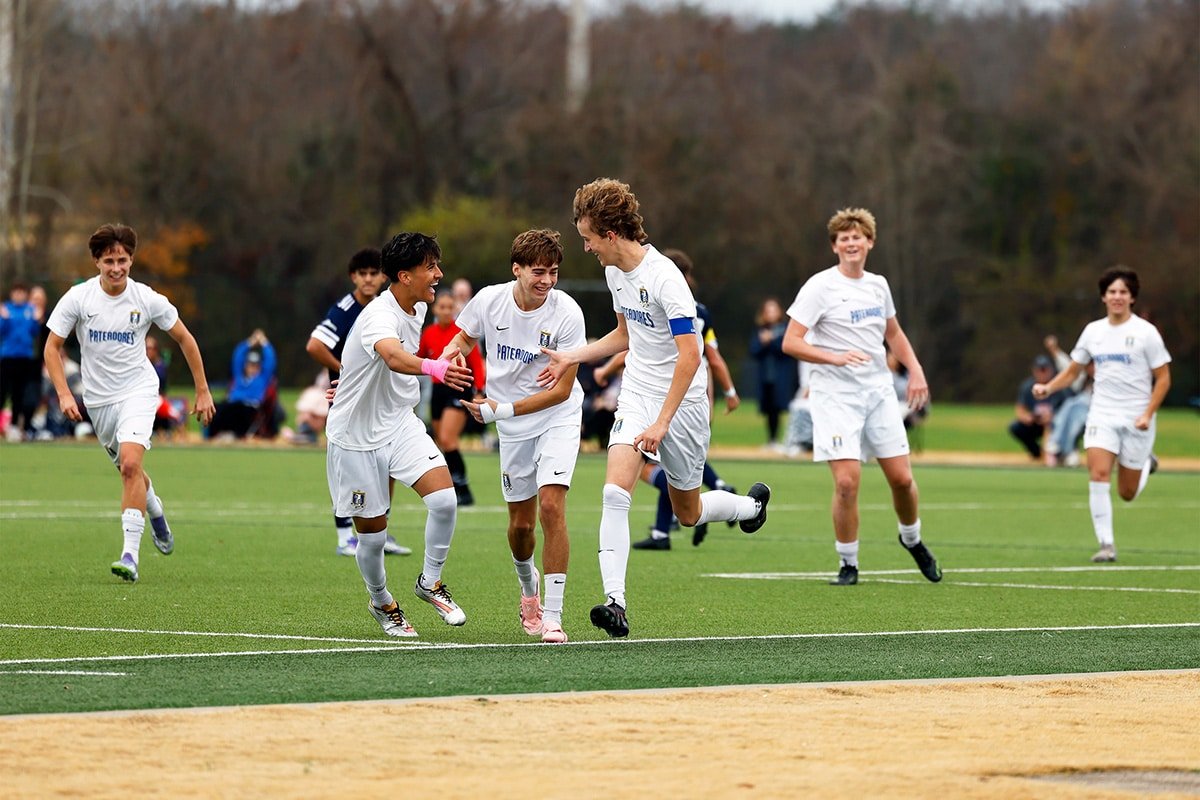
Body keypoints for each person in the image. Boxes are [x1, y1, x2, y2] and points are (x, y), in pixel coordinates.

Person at [538, 178, 771, 638]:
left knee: (687, 511)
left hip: (681, 403)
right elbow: (624, 336)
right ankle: (616, 603)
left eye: (587, 238)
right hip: (639, 389)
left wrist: (663, 423)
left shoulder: (666, 279)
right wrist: (574, 355)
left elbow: (691, 355)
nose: (585, 248)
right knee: (613, 492)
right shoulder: (613, 272)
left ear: (609, 233)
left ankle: (749, 507)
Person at [43, 223, 215, 582]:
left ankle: (130, 556)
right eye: (109, 261)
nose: (116, 268)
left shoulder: (146, 298)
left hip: (138, 390)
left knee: (131, 465)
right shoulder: (79, 298)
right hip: (98, 401)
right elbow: (52, 347)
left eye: (122, 260)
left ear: (132, 260)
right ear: (96, 262)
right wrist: (63, 392)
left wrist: (202, 390)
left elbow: (185, 338)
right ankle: (156, 514)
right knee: (129, 470)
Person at [781, 207, 941, 587]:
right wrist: (833, 357)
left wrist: (916, 371)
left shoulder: (878, 285)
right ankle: (848, 562)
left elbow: (894, 335)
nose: (851, 243)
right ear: (835, 246)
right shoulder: (820, 286)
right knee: (847, 483)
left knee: (902, 479)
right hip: (834, 396)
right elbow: (791, 342)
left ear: (870, 242)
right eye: (844, 238)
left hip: (878, 392)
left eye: (858, 236)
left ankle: (912, 539)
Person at [324, 231, 474, 638]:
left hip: (399, 421)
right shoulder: (379, 315)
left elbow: (375, 364)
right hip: (355, 437)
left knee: (445, 499)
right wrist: (435, 369)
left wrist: (354, 380)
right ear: (405, 276)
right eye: (431, 267)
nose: (439, 274)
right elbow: (390, 355)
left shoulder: (417, 306)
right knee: (372, 538)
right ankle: (382, 601)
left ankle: (430, 583)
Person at [439, 229, 585, 644]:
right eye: (538, 272)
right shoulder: (489, 300)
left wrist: (499, 409)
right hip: (512, 426)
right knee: (521, 526)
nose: (547, 281)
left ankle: (554, 617)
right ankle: (529, 591)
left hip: (557, 414)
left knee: (552, 507)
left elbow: (560, 390)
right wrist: (445, 363)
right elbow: (463, 339)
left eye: (554, 272)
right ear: (516, 269)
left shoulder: (568, 313)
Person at [1032, 266, 1171, 563]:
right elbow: (1073, 371)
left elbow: (1163, 378)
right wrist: (1048, 388)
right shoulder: (1093, 332)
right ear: (1103, 297)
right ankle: (1106, 544)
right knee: (1098, 473)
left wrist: (1148, 413)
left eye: (1123, 292)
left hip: (1137, 417)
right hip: (1102, 413)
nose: (1117, 297)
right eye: (1112, 292)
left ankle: (1146, 463)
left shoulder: (1146, 333)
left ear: (1132, 297)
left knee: (1127, 493)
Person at [304, 247, 409, 557]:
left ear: (382, 276)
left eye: (374, 273)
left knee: (386, 463)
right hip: (348, 400)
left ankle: (382, 530)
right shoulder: (345, 308)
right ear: (353, 277)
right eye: (362, 274)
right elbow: (314, 345)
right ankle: (343, 536)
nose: (368, 279)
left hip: (378, 402)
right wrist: (346, 372)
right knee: (346, 468)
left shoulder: (384, 307)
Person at [419, 291, 485, 506]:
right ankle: (451, 487)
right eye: (442, 307)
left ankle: (462, 488)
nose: (446, 311)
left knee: (448, 439)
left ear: (455, 310)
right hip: (438, 390)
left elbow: (476, 363)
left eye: (450, 307)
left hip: (459, 388)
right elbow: (418, 359)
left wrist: (480, 390)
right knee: (441, 441)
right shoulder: (429, 333)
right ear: (435, 309)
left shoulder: (461, 334)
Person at [206, 330, 278, 439]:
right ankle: (211, 436)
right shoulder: (239, 376)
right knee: (214, 407)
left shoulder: (262, 378)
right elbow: (238, 356)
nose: (253, 368)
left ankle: (235, 434)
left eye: (255, 366)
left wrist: (264, 342)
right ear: (246, 366)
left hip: (249, 407)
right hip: (232, 404)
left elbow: (270, 360)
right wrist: (250, 342)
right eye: (250, 365)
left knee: (238, 410)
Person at [750, 297, 798, 449]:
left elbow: (787, 349)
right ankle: (771, 440)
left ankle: (783, 440)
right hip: (766, 376)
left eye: (773, 310)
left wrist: (772, 341)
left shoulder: (785, 329)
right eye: (767, 310)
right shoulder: (760, 330)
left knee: (780, 407)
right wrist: (764, 343)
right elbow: (754, 351)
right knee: (769, 409)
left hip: (781, 376)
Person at [1, 283, 44, 440]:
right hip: (7, 357)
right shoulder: (6, 309)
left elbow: (34, 333)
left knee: (18, 394)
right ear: (12, 294)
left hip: (24, 357)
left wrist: (36, 321)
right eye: (16, 292)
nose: (18, 296)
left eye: (21, 293)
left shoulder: (30, 310)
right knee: (2, 391)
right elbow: (2, 331)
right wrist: (3, 319)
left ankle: (13, 426)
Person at [1008, 355, 1066, 460]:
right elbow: (1020, 408)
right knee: (1016, 427)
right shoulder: (1027, 386)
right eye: (1039, 370)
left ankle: (1062, 454)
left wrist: (1053, 416)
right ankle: (1037, 453)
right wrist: (1028, 417)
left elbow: (1068, 407)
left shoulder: (1059, 386)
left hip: (1056, 423)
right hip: (1036, 423)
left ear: (1051, 370)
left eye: (1045, 369)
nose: (1042, 373)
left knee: (1060, 425)